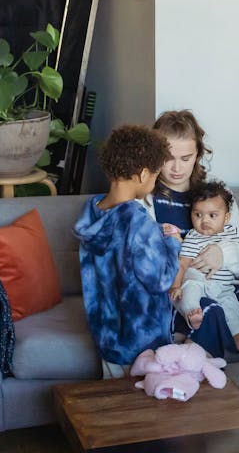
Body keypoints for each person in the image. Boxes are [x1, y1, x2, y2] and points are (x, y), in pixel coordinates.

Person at [150, 110, 239, 357]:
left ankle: (203, 339)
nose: (176, 167)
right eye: (168, 157)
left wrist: (222, 254)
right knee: (208, 311)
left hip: (222, 286)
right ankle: (198, 352)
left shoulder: (216, 193)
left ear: (199, 154)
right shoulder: (147, 197)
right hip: (178, 289)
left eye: (186, 157)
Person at [74, 125, 181, 378]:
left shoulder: (92, 212)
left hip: (107, 337)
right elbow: (160, 280)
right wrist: (172, 243)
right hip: (141, 340)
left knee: (116, 408)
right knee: (145, 410)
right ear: (143, 174)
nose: (154, 183)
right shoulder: (138, 223)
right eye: (155, 177)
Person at [169, 180, 239, 351]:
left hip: (224, 287)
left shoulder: (232, 232)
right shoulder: (193, 237)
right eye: (198, 215)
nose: (204, 221)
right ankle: (193, 314)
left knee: (232, 309)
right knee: (190, 290)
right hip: (200, 282)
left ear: (226, 218)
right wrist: (176, 286)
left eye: (212, 215)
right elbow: (182, 263)